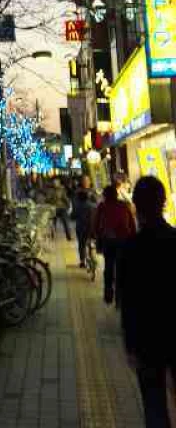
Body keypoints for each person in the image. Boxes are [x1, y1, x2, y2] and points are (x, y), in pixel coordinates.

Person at [118, 176, 176, 428]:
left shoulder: (130, 248)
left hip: (146, 337)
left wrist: (130, 343)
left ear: (136, 206)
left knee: (154, 404)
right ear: (163, 203)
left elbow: (127, 301)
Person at [93, 184, 136, 304]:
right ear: (116, 194)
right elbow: (132, 224)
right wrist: (133, 237)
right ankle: (122, 292)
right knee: (122, 265)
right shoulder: (124, 205)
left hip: (108, 240)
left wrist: (96, 235)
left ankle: (108, 290)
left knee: (109, 265)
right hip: (123, 240)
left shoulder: (102, 206)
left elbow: (96, 223)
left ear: (105, 195)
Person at [73, 189, 96, 267]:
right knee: (91, 242)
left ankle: (82, 261)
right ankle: (92, 256)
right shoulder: (93, 206)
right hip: (92, 228)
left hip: (81, 228)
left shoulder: (77, 206)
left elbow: (73, 216)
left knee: (81, 244)